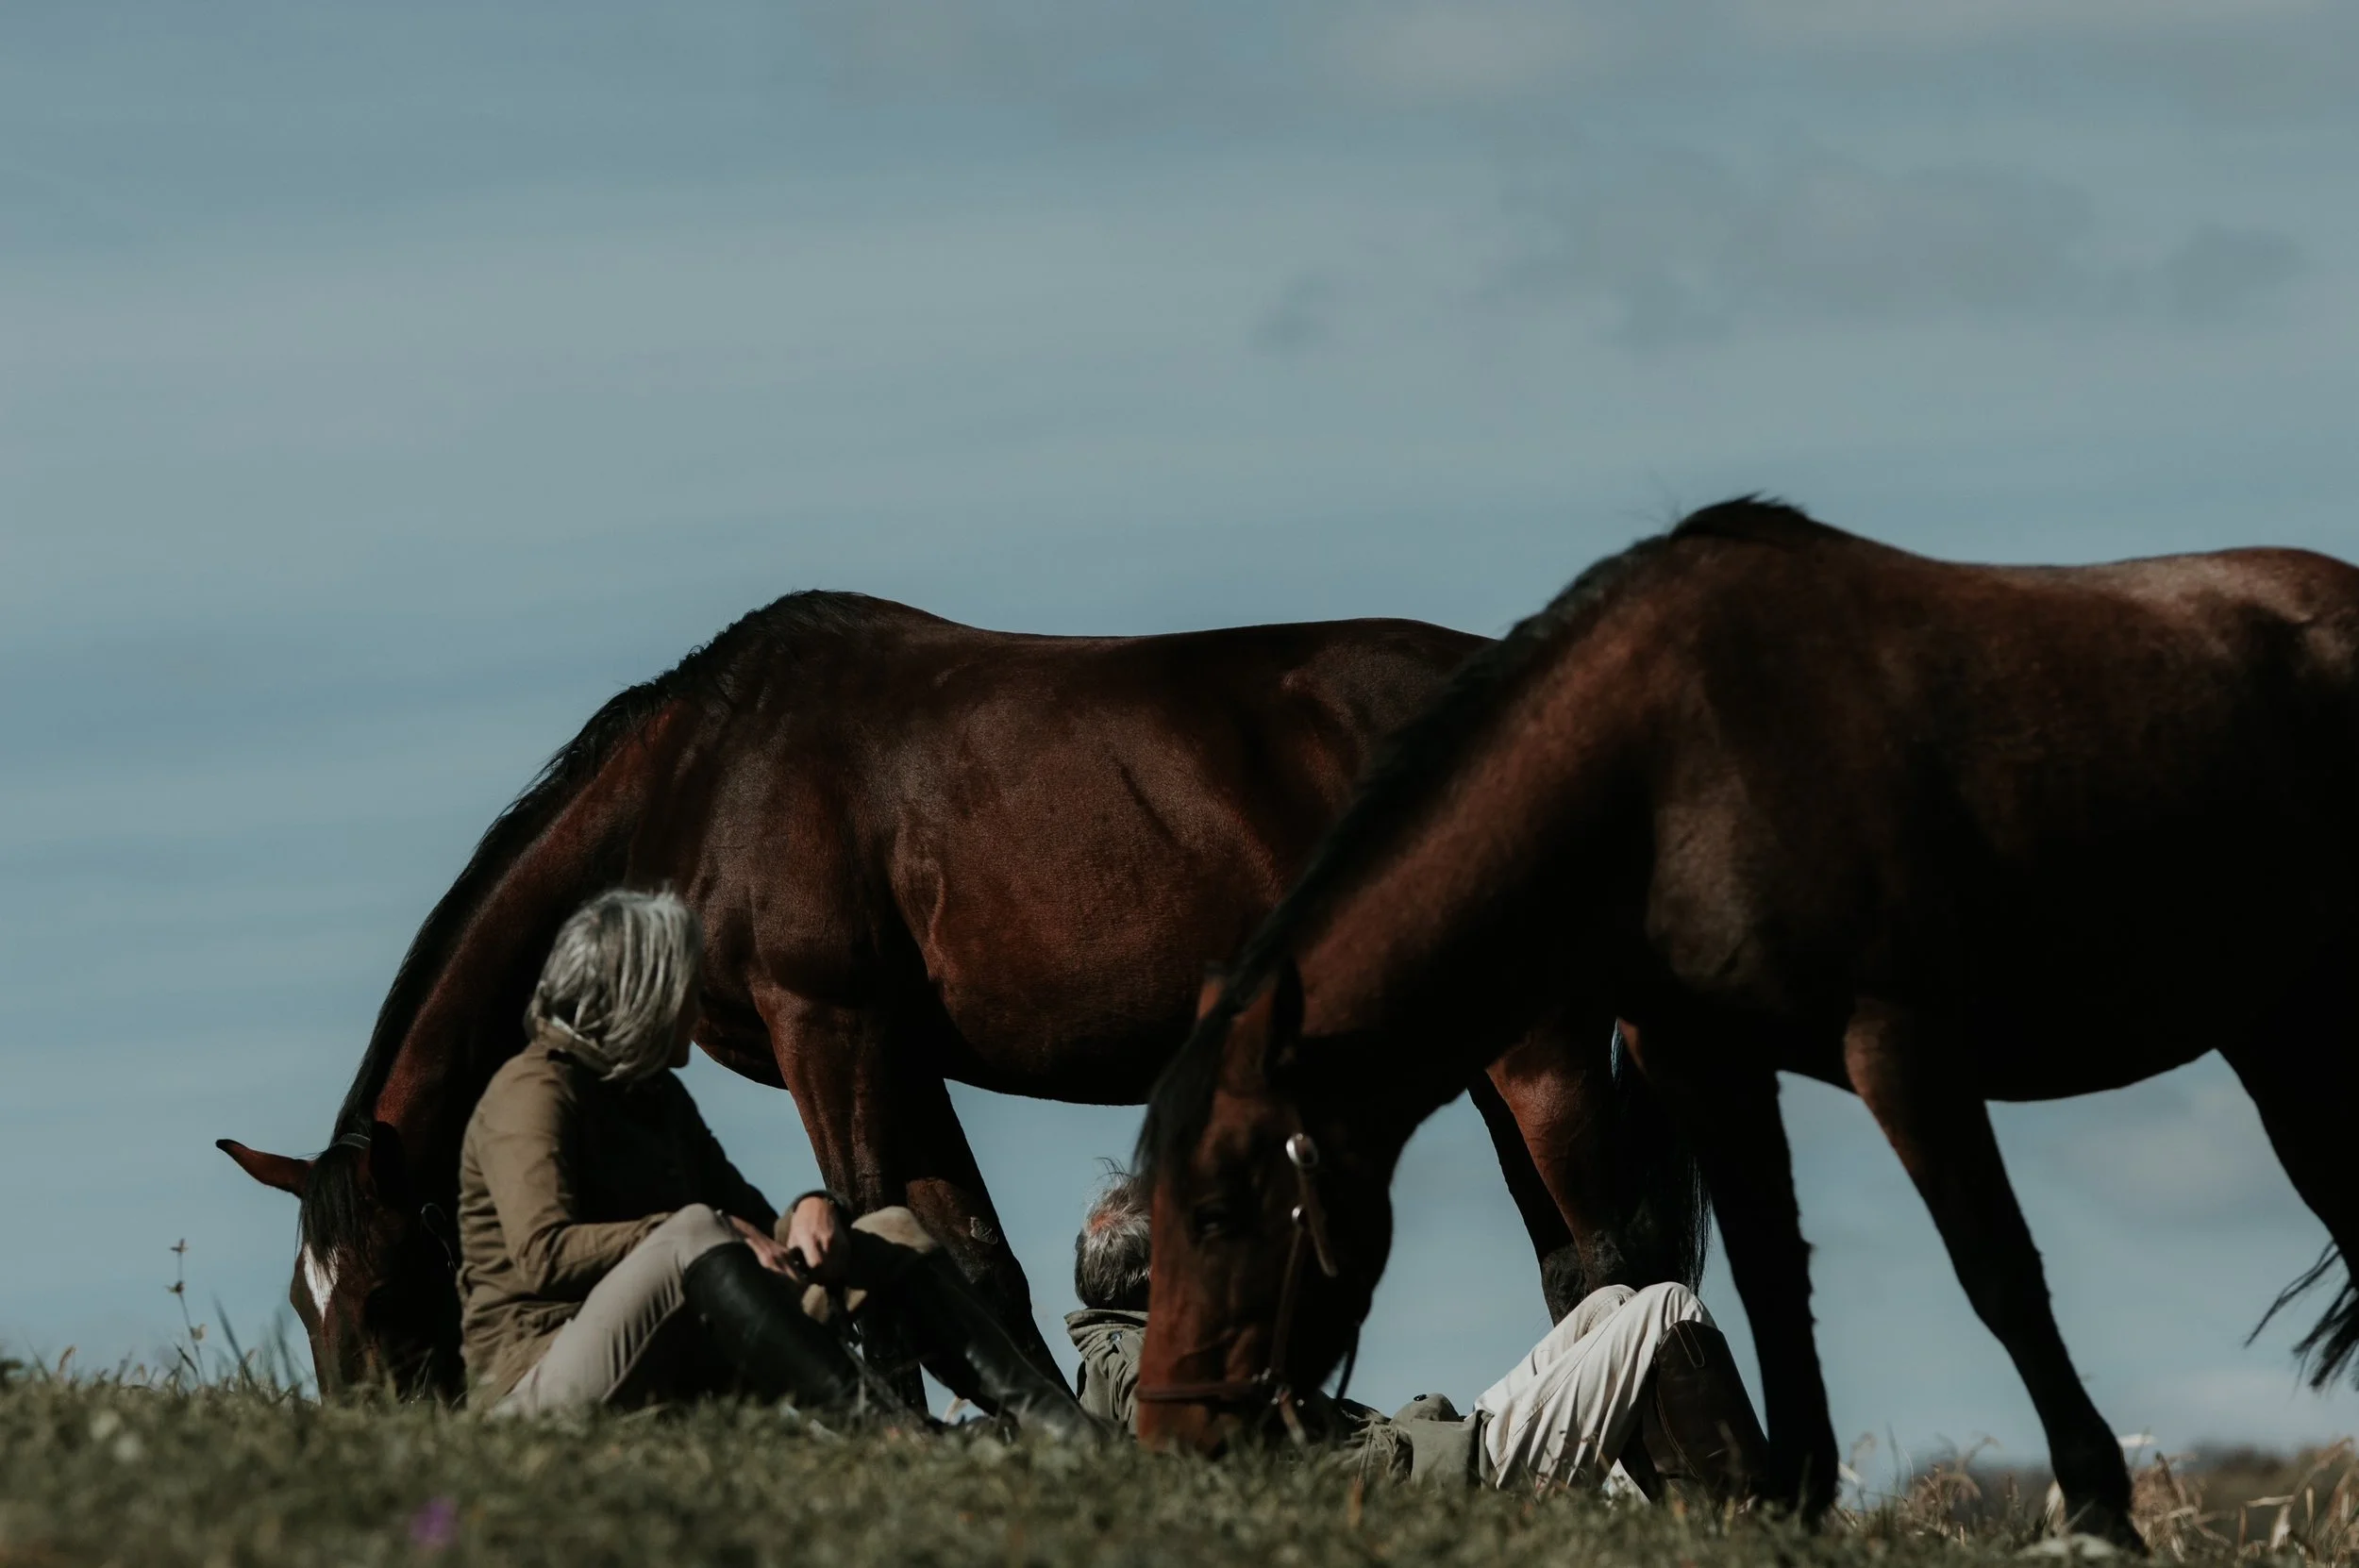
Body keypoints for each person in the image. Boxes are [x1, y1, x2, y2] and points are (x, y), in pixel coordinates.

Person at [457, 887, 1098, 1440]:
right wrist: (697, 1227)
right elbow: (543, 1253)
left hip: (673, 1354)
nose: (696, 1001)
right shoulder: (535, 1089)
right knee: (693, 1233)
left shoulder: (657, 1098)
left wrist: (815, 1212)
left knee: (888, 1231)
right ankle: (894, 1435)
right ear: (639, 995)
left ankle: (1062, 1430)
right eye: (684, 982)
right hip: (538, 1382)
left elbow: (751, 1225)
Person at [1067, 1168, 1767, 1496]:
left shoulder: (1139, 1350)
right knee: (1667, 1307)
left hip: (1428, 1453)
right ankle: (1771, 1531)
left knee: (1614, 1302)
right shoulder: (1144, 1368)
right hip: (1450, 1480)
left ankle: (1691, 1525)